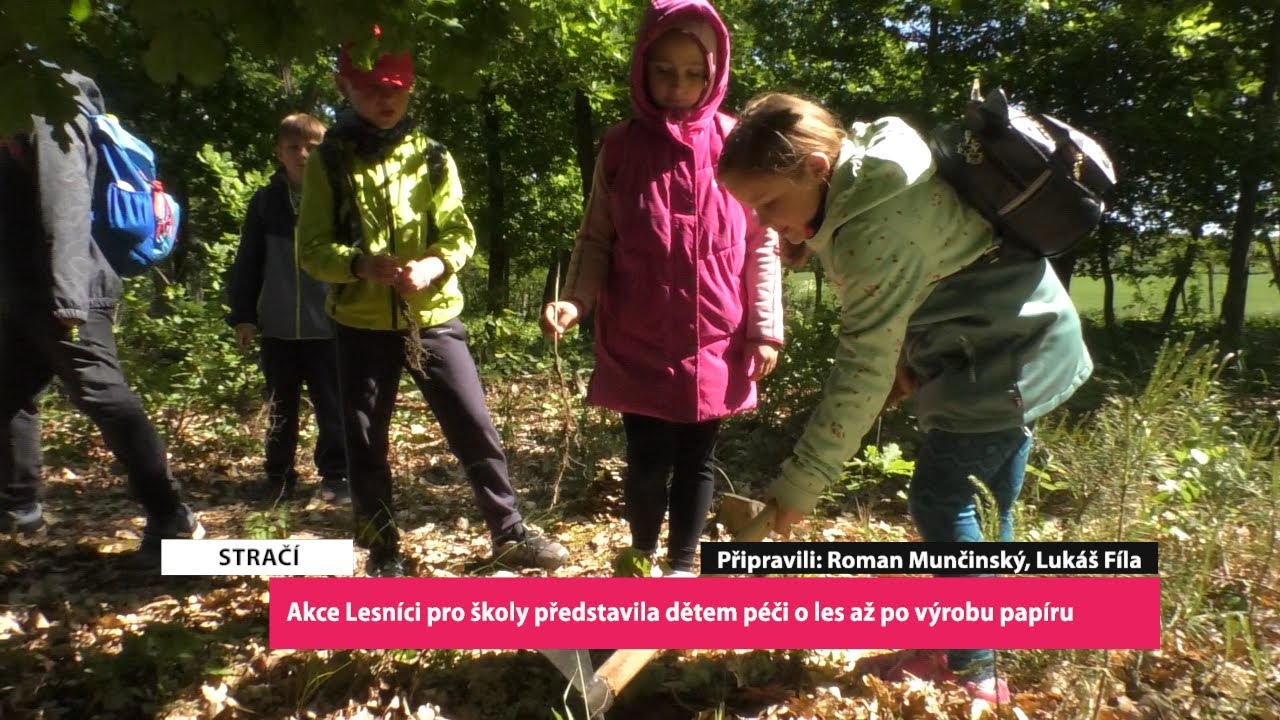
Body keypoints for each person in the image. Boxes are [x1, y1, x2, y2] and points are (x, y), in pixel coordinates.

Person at [716, 92, 1094, 703]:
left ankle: (974, 668)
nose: (763, 222)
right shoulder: (871, 170)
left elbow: (859, 370)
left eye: (769, 204)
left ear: (817, 169)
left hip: (1001, 358)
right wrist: (905, 362)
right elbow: (925, 285)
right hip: (1027, 337)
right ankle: (961, 639)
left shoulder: (872, 229)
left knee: (942, 500)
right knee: (986, 506)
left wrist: (798, 488)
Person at [296, 33, 570, 577]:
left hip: (435, 318)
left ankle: (510, 533)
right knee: (366, 440)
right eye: (372, 87)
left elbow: (459, 235)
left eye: (396, 87)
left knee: (474, 424)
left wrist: (434, 265)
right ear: (344, 87)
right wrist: (359, 264)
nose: (386, 98)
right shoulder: (329, 162)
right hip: (360, 323)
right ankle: (383, 551)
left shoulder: (433, 157)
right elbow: (311, 250)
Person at [541, 0, 784, 578]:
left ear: (715, 73)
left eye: (694, 73)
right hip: (638, 334)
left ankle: (680, 566)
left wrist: (766, 328)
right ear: (642, 69)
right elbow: (596, 236)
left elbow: (762, 243)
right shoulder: (620, 147)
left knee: (697, 460)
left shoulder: (736, 142)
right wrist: (575, 300)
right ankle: (641, 559)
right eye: (665, 70)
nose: (679, 85)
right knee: (646, 460)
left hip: (716, 337)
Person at [0, 70, 203, 564]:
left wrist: (69, 295)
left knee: (103, 396)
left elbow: (63, 197)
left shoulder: (45, 100)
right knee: (7, 392)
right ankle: (18, 511)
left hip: (68, 281)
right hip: (18, 287)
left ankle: (172, 516)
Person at [227, 112, 349, 504]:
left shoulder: (339, 198)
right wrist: (243, 315)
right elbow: (248, 261)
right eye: (293, 147)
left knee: (334, 407)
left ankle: (336, 477)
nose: (302, 155)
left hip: (330, 325)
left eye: (312, 148)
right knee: (281, 408)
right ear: (279, 152)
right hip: (277, 326)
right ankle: (278, 476)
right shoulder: (265, 202)